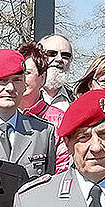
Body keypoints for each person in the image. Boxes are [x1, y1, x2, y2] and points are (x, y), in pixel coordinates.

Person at [0, 49, 57, 178]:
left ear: (24, 85)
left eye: (17, 80)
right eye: (2, 80)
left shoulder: (43, 132)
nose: (10, 88)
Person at [18, 41, 70, 174]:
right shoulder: (2, 116)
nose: (21, 79)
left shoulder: (59, 119)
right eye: (18, 73)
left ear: (42, 77)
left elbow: (63, 168)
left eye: (28, 73)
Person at [38, 33, 76, 109]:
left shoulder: (75, 100)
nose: (59, 59)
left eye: (65, 55)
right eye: (51, 54)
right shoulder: (24, 95)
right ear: (39, 57)